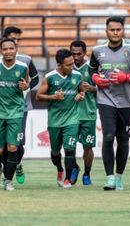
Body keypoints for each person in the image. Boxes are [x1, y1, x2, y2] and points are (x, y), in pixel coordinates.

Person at [89, 16, 130, 191]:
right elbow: (92, 68)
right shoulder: (97, 50)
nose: (115, 33)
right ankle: (109, 179)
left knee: (123, 141)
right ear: (106, 31)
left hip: (127, 101)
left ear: (123, 30)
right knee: (108, 137)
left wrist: (128, 77)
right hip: (106, 99)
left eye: (118, 30)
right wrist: (94, 77)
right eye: (112, 30)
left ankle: (119, 176)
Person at [0, 37, 29, 191]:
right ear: (1, 51)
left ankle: (8, 181)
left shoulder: (23, 66)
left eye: (11, 48)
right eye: (5, 49)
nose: (8, 51)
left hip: (15, 111)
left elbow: (26, 84)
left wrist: (24, 86)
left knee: (12, 148)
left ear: (16, 49)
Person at [0, 26, 39, 184]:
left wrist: (26, 86)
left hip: (21, 107)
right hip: (1, 108)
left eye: (17, 39)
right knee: (2, 144)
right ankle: (11, 168)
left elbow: (35, 78)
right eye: (12, 38)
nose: (15, 42)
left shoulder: (26, 60)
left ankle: (16, 166)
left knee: (18, 143)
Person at [37, 49, 85, 188]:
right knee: (55, 152)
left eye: (73, 64)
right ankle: (59, 169)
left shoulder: (77, 75)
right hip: (55, 120)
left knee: (70, 150)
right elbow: (38, 96)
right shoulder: (50, 77)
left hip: (72, 119)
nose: (72, 66)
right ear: (59, 65)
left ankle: (68, 180)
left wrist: (81, 95)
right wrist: (53, 97)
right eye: (68, 64)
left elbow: (81, 90)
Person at [71, 39, 96, 186]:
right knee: (70, 146)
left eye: (78, 54)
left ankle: (87, 173)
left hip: (88, 113)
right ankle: (74, 167)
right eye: (73, 54)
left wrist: (92, 88)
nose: (75, 57)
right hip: (70, 114)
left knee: (88, 146)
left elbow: (105, 89)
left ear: (85, 53)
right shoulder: (66, 68)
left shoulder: (92, 68)